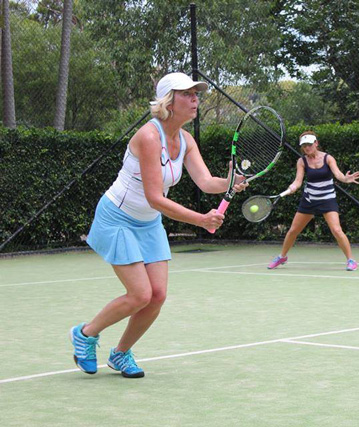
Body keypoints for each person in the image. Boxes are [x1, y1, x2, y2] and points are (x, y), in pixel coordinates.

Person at [70, 72, 247, 378]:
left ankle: (120, 354)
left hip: (148, 223)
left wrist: (231, 181)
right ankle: (85, 334)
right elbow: (155, 197)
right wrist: (201, 220)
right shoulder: (149, 137)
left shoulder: (186, 140)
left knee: (158, 295)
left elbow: (206, 182)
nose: (195, 100)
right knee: (140, 294)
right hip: (117, 218)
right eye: (188, 94)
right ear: (168, 101)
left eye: (196, 94)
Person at [268, 131, 359, 271]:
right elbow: (298, 181)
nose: (307, 148)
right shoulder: (302, 161)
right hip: (309, 200)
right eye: (304, 146)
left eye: (309, 145)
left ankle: (351, 260)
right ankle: (282, 257)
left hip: (327, 200)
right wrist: (292, 187)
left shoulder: (328, 158)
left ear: (316, 143)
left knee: (336, 230)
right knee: (293, 230)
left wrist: (346, 179)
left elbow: (338, 175)